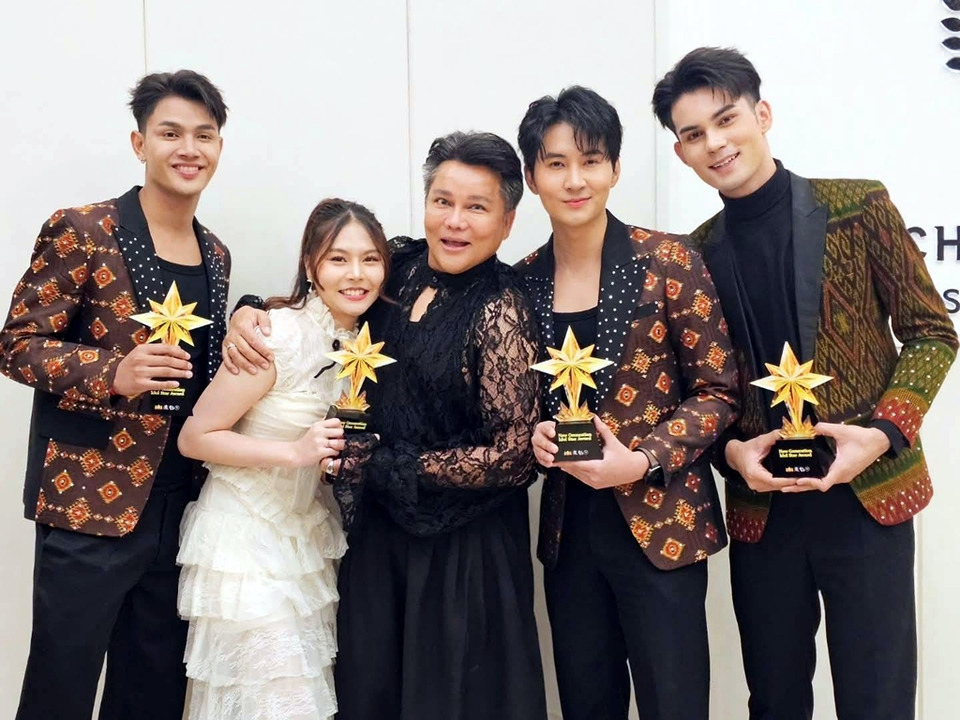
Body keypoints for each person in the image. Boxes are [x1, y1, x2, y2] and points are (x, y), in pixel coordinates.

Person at [652, 47, 958, 720]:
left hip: (868, 497)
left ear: (761, 114)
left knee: (878, 701)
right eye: (694, 134)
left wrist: (883, 433)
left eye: (726, 119)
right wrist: (732, 453)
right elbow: (701, 387)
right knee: (775, 700)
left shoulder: (859, 205)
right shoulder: (691, 255)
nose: (715, 143)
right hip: (765, 511)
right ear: (681, 153)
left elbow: (933, 332)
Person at [223, 131, 547, 720]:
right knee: (369, 692)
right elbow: (326, 292)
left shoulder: (502, 308)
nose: (454, 221)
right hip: (378, 537)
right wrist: (248, 311)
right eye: (442, 201)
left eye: (477, 207)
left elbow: (514, 454)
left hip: (462, 551)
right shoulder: (398, 266)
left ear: (507, 222)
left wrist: (394, 465)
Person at [0, 70, 230, 720]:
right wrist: (113, 373)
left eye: (204, 135)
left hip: (180, 508)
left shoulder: (215, 253)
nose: (189, 148)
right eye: (171, 133)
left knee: (152, 693)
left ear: (218, 146)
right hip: (87, 504)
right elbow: (16, 344)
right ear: (139, 143)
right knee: (61, 689)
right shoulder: (83, 228)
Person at [516, 86, 739, 720]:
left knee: (675, 704)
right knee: (587, 704)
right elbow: (522, 397)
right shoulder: (522, 280)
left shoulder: (669, 259)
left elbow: (719, 391)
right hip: (569, 534)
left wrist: (641, 460)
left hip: (662, 523)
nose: (575, 180)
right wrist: (536, 434)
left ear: (614, 168)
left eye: (591, 160)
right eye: (556, 164)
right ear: (532, 177)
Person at [176, 198, 389, 719]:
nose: (356, 274)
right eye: (338, 259)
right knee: (272, 699)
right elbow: (196, 436)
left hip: (305, 540)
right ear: (311, 267)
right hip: (245, 538)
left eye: (370, 259)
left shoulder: (360, 344)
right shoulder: (275, 335)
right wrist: (294, 452)